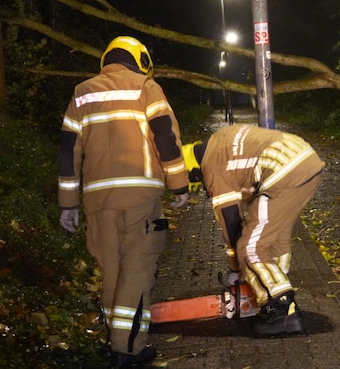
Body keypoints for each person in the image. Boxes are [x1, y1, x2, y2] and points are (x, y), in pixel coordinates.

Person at [57, 36, 190, 367]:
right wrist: (179, 185)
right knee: (138, 270)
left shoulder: (82, 93)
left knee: (111, 271)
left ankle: (115, 342)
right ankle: (127, 350)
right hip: (140, 197)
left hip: (97, 200)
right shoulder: (146, 87)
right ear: (141, 59)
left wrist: (68, 203)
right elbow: (165, 138)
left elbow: (67, 150)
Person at [182, 124, 325, 336]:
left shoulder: (212, 166)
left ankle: (283, 310)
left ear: (193, 169)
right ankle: (275, 286)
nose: (202, 184)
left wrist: (235, 269)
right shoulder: (218, 142)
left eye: (197, 180)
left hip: (284, 172)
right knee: (275, 238)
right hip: (306, 162)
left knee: (250, 246)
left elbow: (230, 221)